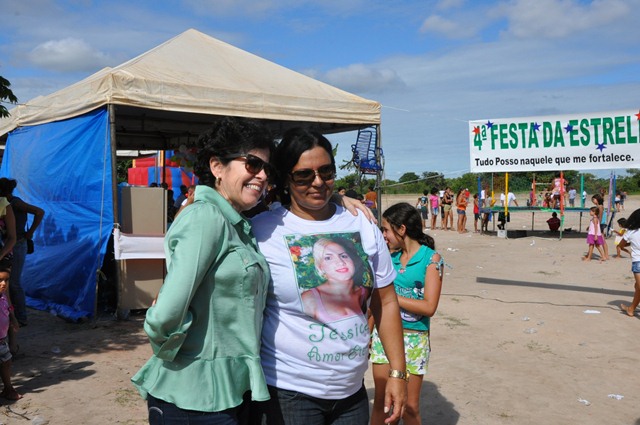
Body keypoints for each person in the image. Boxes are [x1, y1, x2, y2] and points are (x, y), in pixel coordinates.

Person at [251, 127, 406, 425]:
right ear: (285, 178)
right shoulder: (263, 230)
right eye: (303, 175)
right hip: (289, 393)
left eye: (327, 172)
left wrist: (398, 372)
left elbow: (385, 302)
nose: (318, 182)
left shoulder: (361, 223)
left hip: (351, 393)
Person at [131, 117, 277, 424]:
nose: (262, 175)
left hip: (228, 392)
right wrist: (178, 349)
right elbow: (164, 314)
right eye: (252, 163)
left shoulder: (236, 222)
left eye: (267, 168)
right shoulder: (206, 218)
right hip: (195, 396)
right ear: (217, 167)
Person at [370, 202, 443, 425]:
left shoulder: (432, 260)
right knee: (382, 404)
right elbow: (376, 303)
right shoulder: (388, 259)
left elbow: (429, 306)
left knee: (409, 408)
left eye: (386, 229)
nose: (383, 235)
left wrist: (391, 298)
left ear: (401, 229)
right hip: (384, 338)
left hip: (415, 339)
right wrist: (368, 330)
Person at [0, 178, 45, 327]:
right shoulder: (7, 203)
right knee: (8, 282)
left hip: (17, 244)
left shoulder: (14, 203)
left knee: (13, 283)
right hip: (10, 245)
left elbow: (39, 212)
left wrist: (30, 233)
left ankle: (21, 317)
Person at [0, 262, 21, 400]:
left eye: (6, 280)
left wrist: (13, 318)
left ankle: (8, 389)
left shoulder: (3, 298)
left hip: (2, 340)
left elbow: (8, 308)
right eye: (0, 280)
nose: (3, 284)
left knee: (6, 362)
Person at [618, 208, 640, 316]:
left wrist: (631, 244)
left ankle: (631, 309)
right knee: (638, 287)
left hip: (638, 261)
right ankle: (631, 309)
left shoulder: (631, 232)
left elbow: (621, 245)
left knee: (639, 287)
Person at [591, 194, 610, 259]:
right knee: (602, 239)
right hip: (600, 223)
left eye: (594, 199)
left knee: (602, 240)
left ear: (597, 199)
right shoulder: (599, 206)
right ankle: (606, 255)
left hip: (601, 224)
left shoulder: (600, 206)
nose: (593, 201)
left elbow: (600, 217)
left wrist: (597, 224)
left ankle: (606, 255)